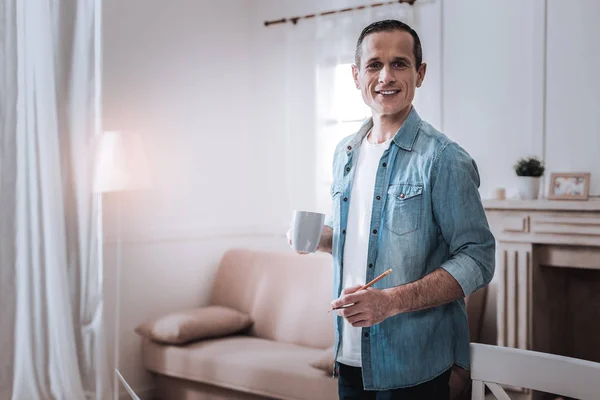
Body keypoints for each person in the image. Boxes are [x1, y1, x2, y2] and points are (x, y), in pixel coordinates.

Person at [288, 19, 495, 399]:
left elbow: (479, 258)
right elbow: (354, 236)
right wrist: (319, 238)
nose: (386, 76)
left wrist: (390, 302)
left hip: (415, 364)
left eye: (399, 63)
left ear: (420, 73)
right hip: (350, 357)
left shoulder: (444, 159)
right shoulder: (344, 154)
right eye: (374, 65)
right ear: (356, 75)